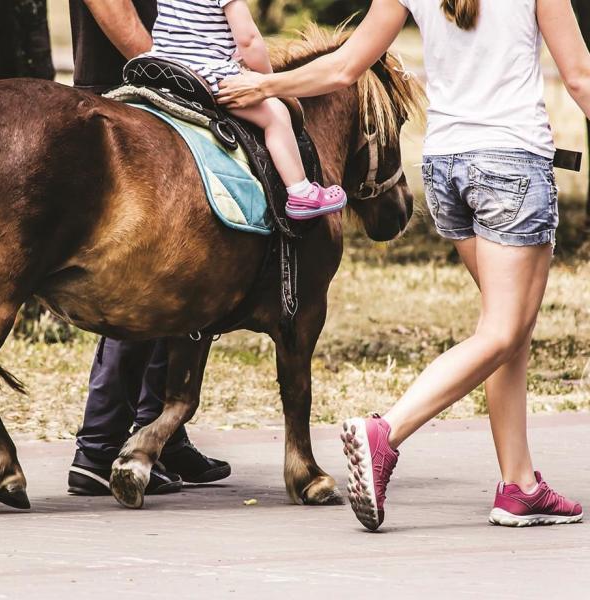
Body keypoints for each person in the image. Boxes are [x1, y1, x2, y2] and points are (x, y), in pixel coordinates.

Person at [218, 0, 588, 530]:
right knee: (504, 331)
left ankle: (519, 485)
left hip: (445, 168)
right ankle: (384, 434)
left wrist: (266, 86)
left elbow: (346, 66)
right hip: (509, 163)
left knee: (506, 333)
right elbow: (578, 77)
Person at [67, 0, 231, 497]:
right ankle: (102, 446)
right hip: (131, 95)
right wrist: (166, 70)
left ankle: (161, 434)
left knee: (188, 264)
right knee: (144, 275)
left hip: (155, 87)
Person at [140, 0, 347, 219]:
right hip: (205, 76)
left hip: (163, 69)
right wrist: (269, 82)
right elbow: (248, 41)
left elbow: (189, 26)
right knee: (276, 115)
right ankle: (301, 192)